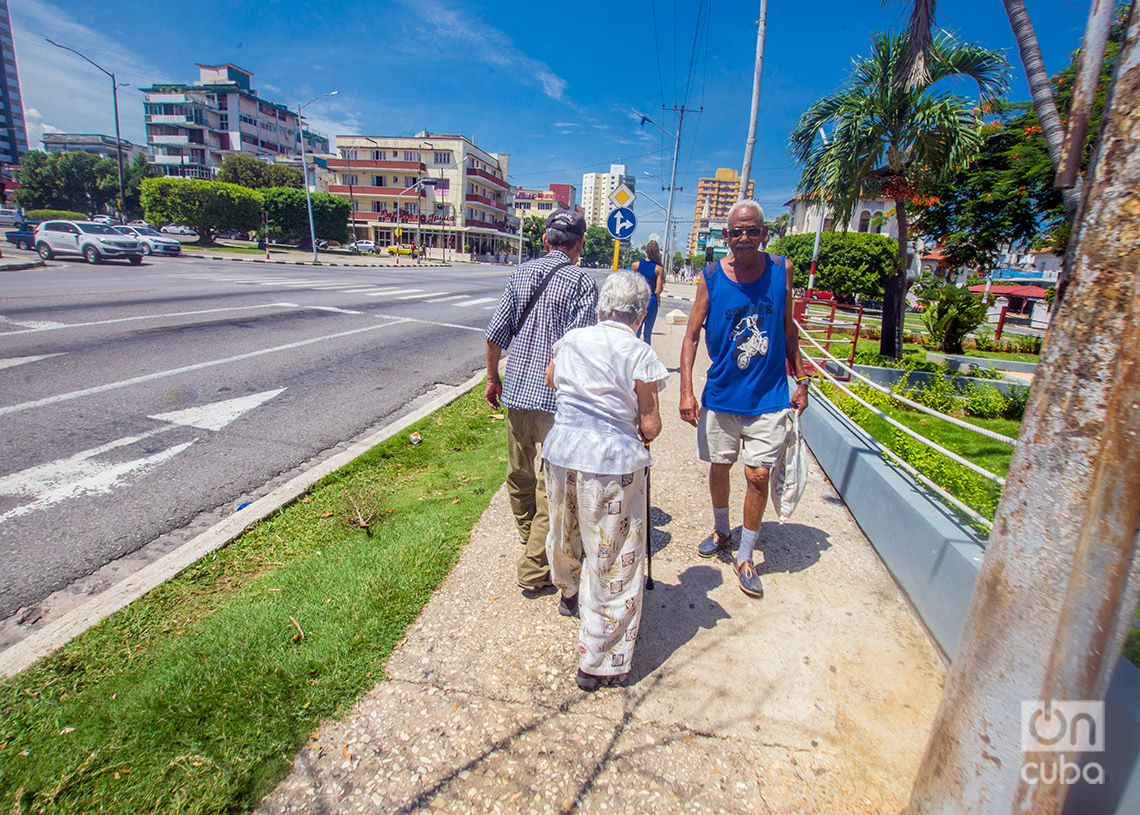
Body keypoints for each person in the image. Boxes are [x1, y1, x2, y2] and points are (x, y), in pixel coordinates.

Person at [542, 271, 668, 690]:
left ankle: (569, 594)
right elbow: (650, 424)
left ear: (601, 307)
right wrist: (640, 425)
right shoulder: (640, 352)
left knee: (565, 531)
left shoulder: (572, 340)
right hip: (611, 462)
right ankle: (597, 662)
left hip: (562, 453)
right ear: (641, 313)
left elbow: (550, 379)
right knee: (613, 558)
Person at [679, 200, 809, 599]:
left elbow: (788, 329)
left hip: (769, 397)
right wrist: (686, 389)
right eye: (736, 231)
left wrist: (801, 378)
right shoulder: (711, 277)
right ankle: (721, 530)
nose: (743, 238)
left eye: (752, 230)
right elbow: (691, 335)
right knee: (720, 467)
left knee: (758, 475)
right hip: (721, 396)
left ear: (764, 234)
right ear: (726, 237)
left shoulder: (781, 270)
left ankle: (746, 554)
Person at [485, 209, 600, 599]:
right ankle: (535, 566)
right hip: (556, 401)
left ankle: (530, 539)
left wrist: (491, 377)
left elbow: (495, 333)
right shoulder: (583, 281)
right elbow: (577, 348)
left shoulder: (519, 273)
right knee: (553, 487)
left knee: (520, 473)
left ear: (547, 240)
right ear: (579, 245)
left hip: (516, 392)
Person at [629, 240, 665, 344]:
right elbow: (658, 290)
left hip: (638, 299)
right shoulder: (658, 269)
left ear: (646, 251)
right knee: (647, 333)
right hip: (651, 300)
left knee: (636, 331)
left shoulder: (635, 265)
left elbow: (631, 284)